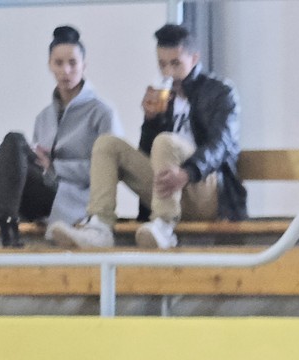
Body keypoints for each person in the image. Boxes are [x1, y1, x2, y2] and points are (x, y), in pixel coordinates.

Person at [51, 22, 243, 251]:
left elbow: (220, 145)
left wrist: (187, 172)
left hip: (205, 191)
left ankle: (164, 224)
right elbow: (147, 154)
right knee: (107, 144)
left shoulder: (221, 92)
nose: (168, 72)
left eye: (175, 64)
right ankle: (100, 226)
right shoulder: (164, 95)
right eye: (162, 64)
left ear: (194, 58)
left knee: (165, 141)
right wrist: (151, 121)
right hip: (167, 188)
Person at [0, 26, 119, 250]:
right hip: (39, 196)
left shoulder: (101, 112)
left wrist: (55, 167)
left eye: (73, 63)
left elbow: (109, 171)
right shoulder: (44, 117)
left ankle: (7, 225)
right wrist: (38, 162)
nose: (66, 70)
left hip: (73, 200)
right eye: (59, 63)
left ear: (84, 65)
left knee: (14, 139)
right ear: (50, 65)